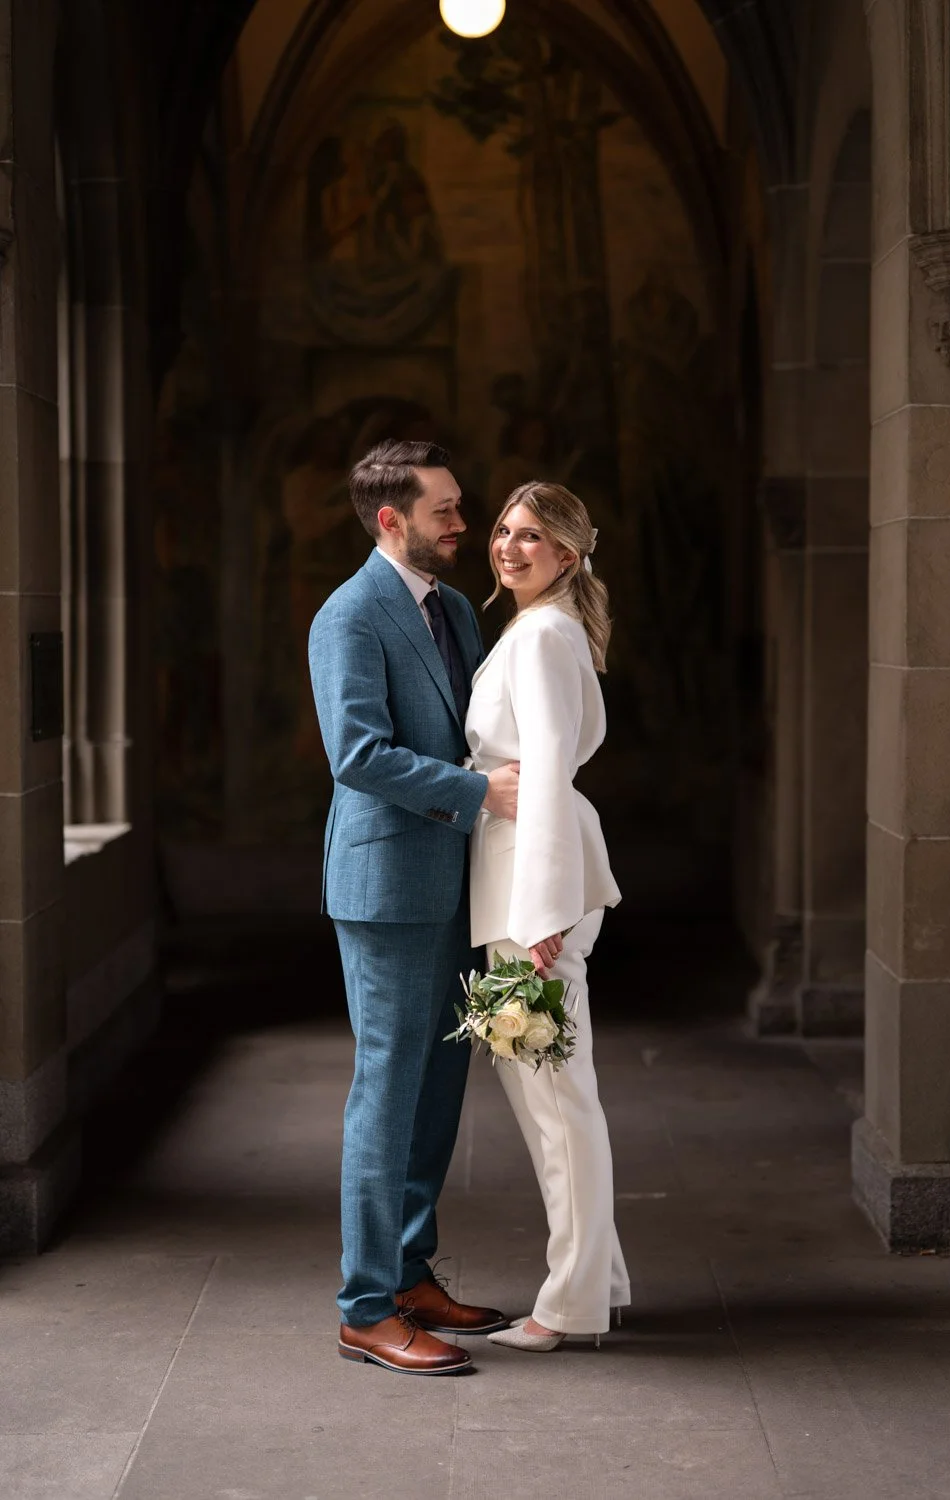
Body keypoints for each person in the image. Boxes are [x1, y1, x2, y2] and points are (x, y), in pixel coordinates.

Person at [308, 439, 521, 1376]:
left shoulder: (456, 610)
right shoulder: (348, 616)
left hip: (456, 879)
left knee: (439, 1087)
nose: (462, 524)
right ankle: (364, 1309)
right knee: (386, 1092)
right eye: (445, 510)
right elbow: (357, 755)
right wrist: (485, 795)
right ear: (391, 520)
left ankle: (409, 1274)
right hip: (389, 884)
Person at [464, 481, 630, 1352]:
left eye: (532, 537)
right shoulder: (535, 631)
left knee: (560, 1107)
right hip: (522, 884)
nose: (508, 546)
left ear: (567, 554)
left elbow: (551, 777)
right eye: (503, 530)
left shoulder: (544, 637)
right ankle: (596, 1278)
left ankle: (568, 1305)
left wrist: (542, 916)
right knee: (553, 1105)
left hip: (535, 894)